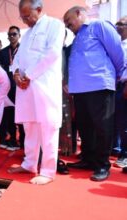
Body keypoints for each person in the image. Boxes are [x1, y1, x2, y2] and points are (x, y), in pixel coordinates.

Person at [64, 7, 125, 181]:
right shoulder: (76, 38)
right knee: (85, 126)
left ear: (78, 14)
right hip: (80, 90)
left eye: (69, 22)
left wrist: (118, 75)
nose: (69, 27)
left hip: (99, 85)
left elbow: (117, 52)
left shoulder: (98, 25)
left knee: (102, 127)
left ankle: (103, 165)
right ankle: (88, 159)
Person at [8, 0, 65, 185]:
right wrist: (16, 74)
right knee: (29, 127)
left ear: (39, 10)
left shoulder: (55, 25)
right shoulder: (27, 33)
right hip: (26, 88)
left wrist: (29, 76)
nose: (24, 21)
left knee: (48, 127)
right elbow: (17, 57)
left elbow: (53, 53)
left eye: (26, 16)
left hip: (44, 87)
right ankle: (29, 164)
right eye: (22, 17)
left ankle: (48, 171)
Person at [0, 25, 24, 151]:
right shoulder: (3, 52)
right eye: (10, 35)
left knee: (23, 114)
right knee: (9, 114)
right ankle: (12, 138)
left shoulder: (25, 49)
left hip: (22, 87)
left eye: (14, 34)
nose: (11, 36)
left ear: (19, 35)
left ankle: (23, 141)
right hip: (8, 88)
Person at [113, 16, 127, 169]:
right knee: (118, 122)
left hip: (125, 86)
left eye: (121, 24)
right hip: (116, 86)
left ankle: (125, 154)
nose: (117, 26)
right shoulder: (117, 44)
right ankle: (117, 149)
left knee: (124, 124)